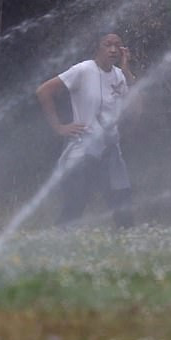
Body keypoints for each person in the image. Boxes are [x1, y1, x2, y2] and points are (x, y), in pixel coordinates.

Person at [36, 32, 138, 227]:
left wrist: (126, 70)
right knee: (76, 203)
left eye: (117, 45)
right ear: (98, 48)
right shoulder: (83, 70)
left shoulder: (120, 75)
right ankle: (60, 239)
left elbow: (136, 103)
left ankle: (125, 240)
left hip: (110, 150)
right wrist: (59, 127)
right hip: (83, 150)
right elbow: (43, 91)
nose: (113, 49)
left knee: (123, 202)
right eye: (107, 45)